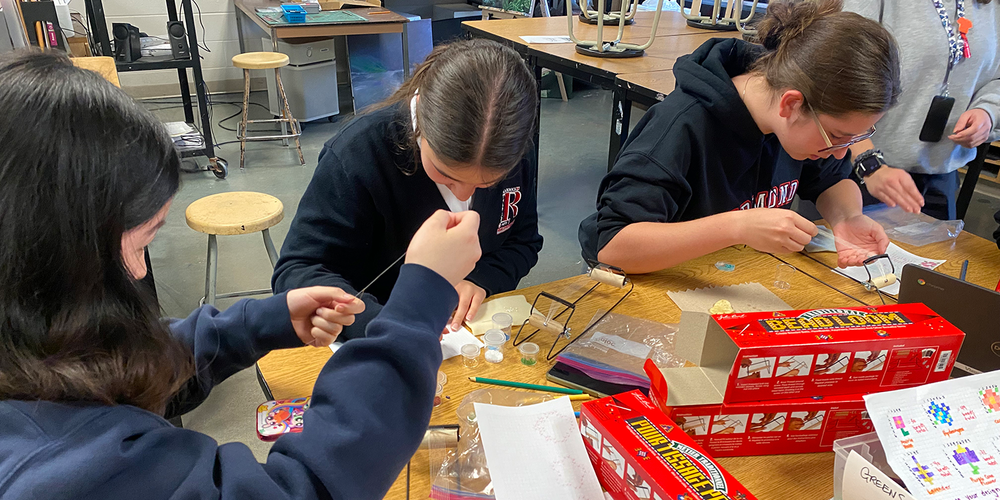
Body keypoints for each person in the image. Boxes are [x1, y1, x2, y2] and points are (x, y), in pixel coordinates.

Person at [0, 50, 483, 499]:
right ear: (54, 259)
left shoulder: (27, 350)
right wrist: (421, 300)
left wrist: (258, 323)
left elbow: (114, 362)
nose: (143, 269)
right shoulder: (66, 470)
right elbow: (304, 488)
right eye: (144, 240)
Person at [578, 0, 899, 273]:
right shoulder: (681, 126)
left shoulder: (796, 125)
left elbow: (831, 181)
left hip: (732, 275)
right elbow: (613, 244)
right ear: (791, 104)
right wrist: (737, 227)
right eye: (836, 136)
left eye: (854, 139)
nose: (841, 153)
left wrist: (847, 218)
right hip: (653, 281)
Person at [273, 39, 543, 338]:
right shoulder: (358, 155)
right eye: (445, 174)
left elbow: (523, 240)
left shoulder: (508, 148)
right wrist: (386, 323)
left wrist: (482, 279)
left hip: (467, 337)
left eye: (487, 183)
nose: (466, 195)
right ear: (420, 128)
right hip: (374, 338)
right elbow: (298, 270)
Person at [843, 0, 999, 221]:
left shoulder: (992, 7)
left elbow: (997, 78)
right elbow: (837, 78)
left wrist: (988, 111)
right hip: (858, 167)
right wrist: (868, 163)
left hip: (940, 174)